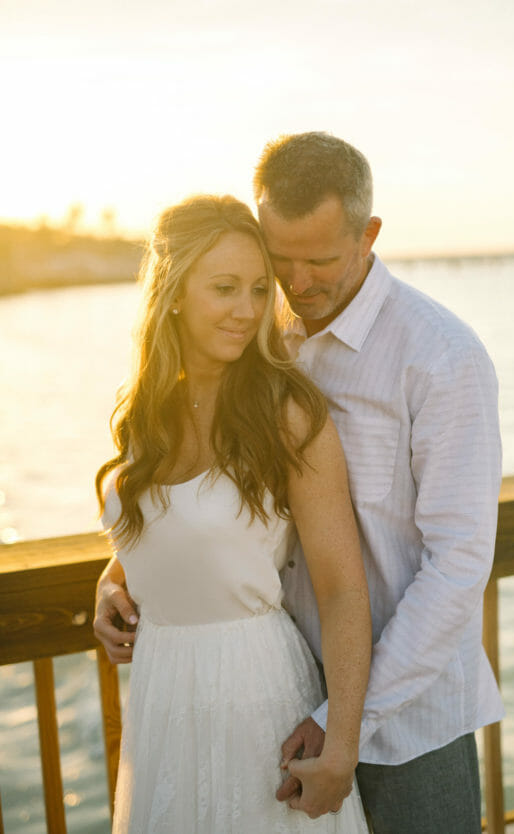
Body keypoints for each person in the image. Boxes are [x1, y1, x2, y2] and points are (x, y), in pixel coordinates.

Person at [96, 133, 505, 833]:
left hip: (409, 717)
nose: (294, 285)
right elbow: (224, 507)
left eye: (319, 260)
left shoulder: (440, 357)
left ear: (368, 233)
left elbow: (458, 566)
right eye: (277, 262)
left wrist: (346, 720)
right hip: (278, 698)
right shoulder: (263, 334)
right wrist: (124, 573)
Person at [95, 193, 372, 833]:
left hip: (256, 698)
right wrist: (112, 580)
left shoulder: (287, 411)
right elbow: (172, 535)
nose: (247, 311)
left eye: (256, 289)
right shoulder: (146, 413)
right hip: (164, 697)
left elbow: (342, 591)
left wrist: (342, 745)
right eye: (224, 288)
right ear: (172, 292)